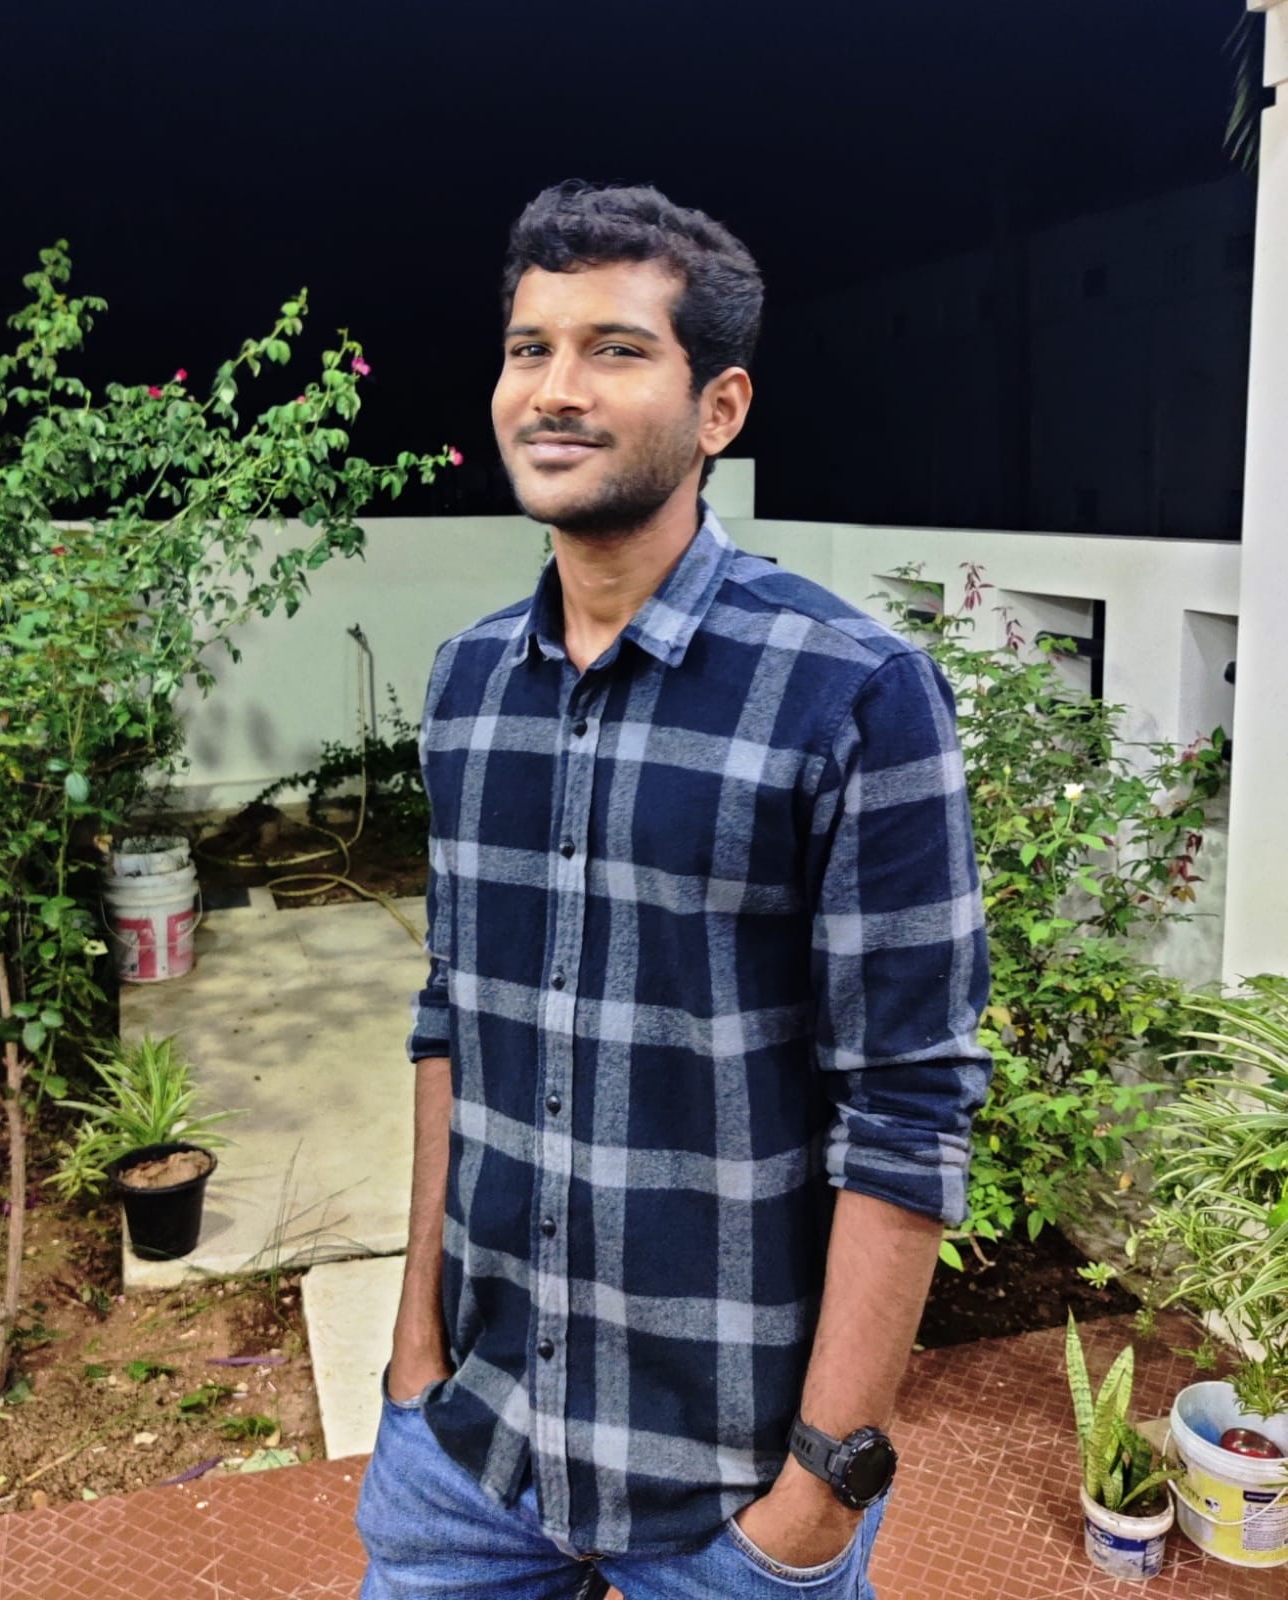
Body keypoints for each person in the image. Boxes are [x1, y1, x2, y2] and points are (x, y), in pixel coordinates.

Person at [356, 181, 991, 1599]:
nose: (553, 389)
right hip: (470, 1456)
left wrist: (820, 1490)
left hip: (733, 1492)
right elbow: (452, 1021)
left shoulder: (852, 694)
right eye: (529, 348)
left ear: (720, 408)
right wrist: (413, 1359)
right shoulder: (469, 687)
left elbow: (910, 1104)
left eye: (614, 349)